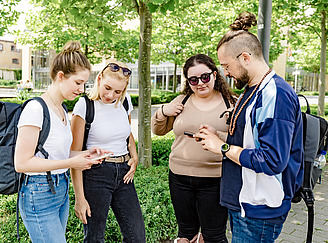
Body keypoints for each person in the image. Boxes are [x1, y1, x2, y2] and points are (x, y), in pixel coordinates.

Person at [197, 12, 304, 242]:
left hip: (260, 209)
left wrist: (222, 148)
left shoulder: (275, 95)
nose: (225, 73)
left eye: (226, 65)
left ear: (245, 57)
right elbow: (252, 138)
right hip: (245, 203)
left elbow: (272, 160)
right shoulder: (252, 89)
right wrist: (220, 136)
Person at [14, 41, 107, 243]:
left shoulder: (62, 110)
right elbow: (22, 163)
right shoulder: (35, 109)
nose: (82, 89)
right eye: (78, 83)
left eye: (84, 84)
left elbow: (58, 155)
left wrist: (85, 155)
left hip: (60, 190)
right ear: (60, 76)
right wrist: (71, 163)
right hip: (38, 193)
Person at [151, 54, 236, 243]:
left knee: (214, 236)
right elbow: (158, 130)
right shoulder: (181, 101)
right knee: (185, 234)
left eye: (205, 77)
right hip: (179, 179)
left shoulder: (231, 103)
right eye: (193, 80)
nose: (200, 83)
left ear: (215, 75)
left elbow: (241, 142)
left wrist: (218, 137)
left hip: (215, 180)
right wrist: (163, 111)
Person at [71, 61, 146, 242]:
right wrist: (79, 198)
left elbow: (126, 134)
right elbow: (74, 155)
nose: (111, 95)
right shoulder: (84, 105)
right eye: (107, 88)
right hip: (96, 175)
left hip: (123, 175)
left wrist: (134, 156)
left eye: (117, 91)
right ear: (99, 79)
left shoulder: (125, 102)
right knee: (95, 238)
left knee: (137, 236)